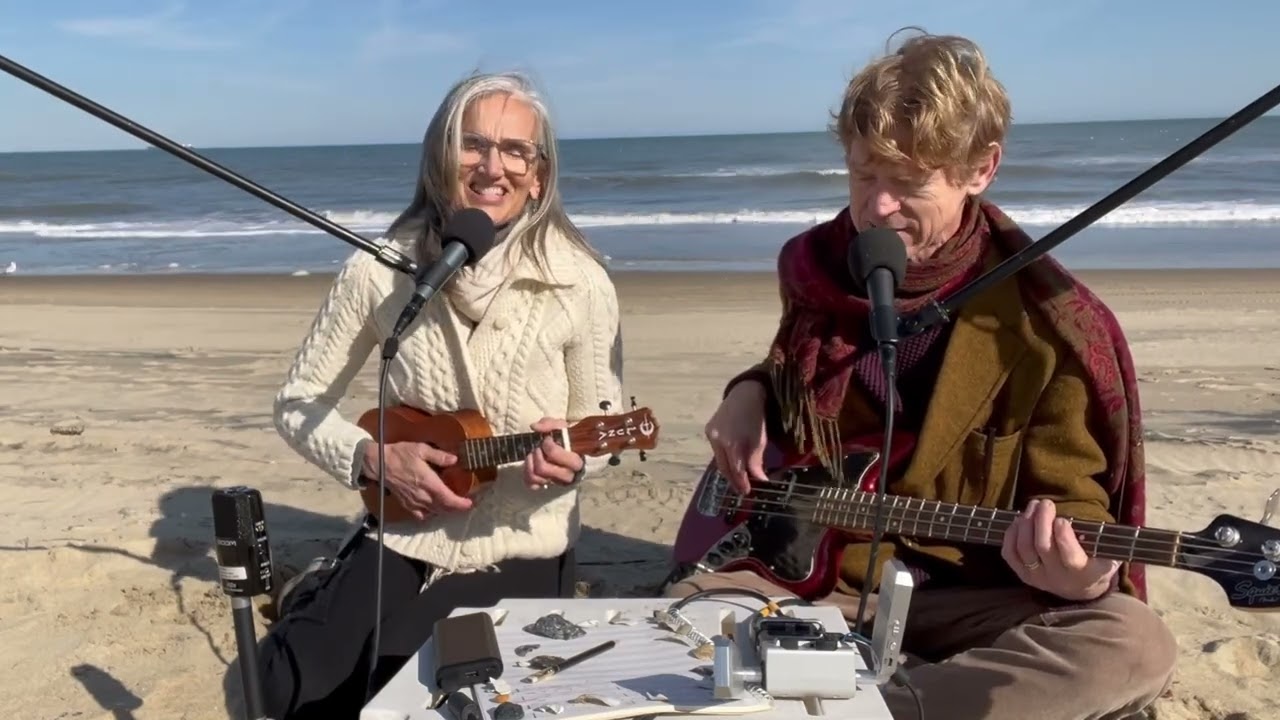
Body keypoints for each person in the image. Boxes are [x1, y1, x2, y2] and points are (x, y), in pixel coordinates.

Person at [668, 29, 1178, 720]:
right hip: (816, 584)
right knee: (672, 623)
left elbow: (1078, 503)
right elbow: (798, 381)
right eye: (863, 176)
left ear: (981, 169)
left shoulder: (1049, 324)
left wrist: (1083, 574)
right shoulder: (816, 267)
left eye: (907, 183)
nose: (876, 207)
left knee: (1132, 643)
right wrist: (749, 391)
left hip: (968, 597)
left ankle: (880, 710)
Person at [259, 71, 624, 719]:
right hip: (403, 532)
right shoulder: (378, 270)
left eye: (517, 150)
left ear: (539, 176)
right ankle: (317, 585)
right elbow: (298, 401)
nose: (493, 166)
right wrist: (370, 458)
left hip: (522, 539)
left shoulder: (581, 282)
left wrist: (575, 458)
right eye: (473, 144)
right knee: (287, 687)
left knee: (417, 686)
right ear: (439, 157)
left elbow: (607, 419)